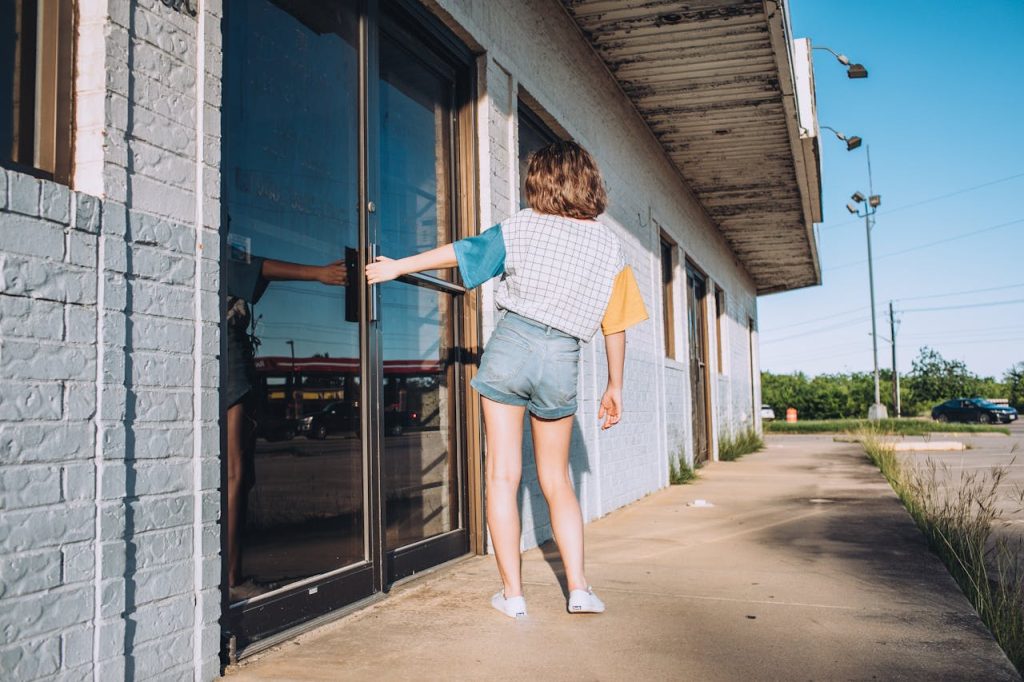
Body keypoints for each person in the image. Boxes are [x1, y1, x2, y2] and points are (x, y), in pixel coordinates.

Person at [366, 140, 648, 618]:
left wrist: (397, 267)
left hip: (511, 349)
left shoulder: (522, 226)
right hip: (562, 357)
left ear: (539, 180)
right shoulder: (610, 247)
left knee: (502, 474)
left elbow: (459, 251)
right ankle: (578, 589)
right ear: (588, 181)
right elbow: (614, 323)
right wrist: (614, 386)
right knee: (557, 479)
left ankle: (513, 597)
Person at [224, 251, 347, 602]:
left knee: (239, 473)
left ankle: (230, 574)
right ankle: (232, 579)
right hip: (230, 356)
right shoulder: (215, 240)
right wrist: (319, 272)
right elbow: (258, 266)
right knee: (235, 472)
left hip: (233, 356)